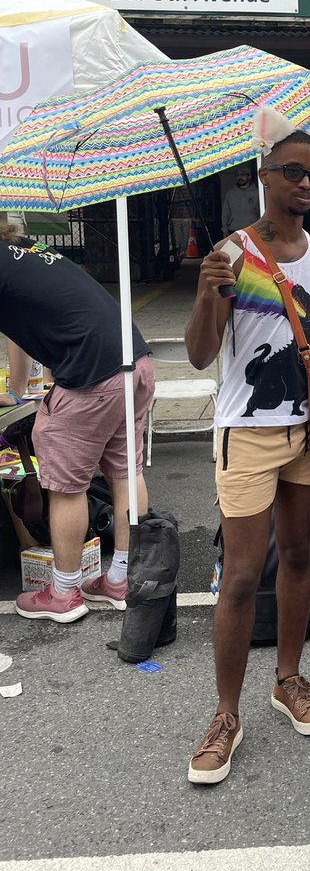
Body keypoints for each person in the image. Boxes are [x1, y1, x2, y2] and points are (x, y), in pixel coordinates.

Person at [185, 113, 310, 786]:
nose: (304, 183)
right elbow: (204, 353)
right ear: (263, 177)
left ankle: (287, 678)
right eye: (291, 172)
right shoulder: (231, 255)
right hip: (247, 431)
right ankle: (225, 715)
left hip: (308, 428)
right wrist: (209, 294)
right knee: (239, 577)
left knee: (298, 555)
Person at [3, 227, 155, 623]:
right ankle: (121, 579)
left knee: (66, 485)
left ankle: (64, 591)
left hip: (92, 372)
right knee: (126, 471)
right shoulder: (27, 251)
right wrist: (17, 389)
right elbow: (21, 328)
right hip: (135, 361)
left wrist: (22, 391)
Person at [221, 166, 260, 235]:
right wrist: (225, 230)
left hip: (252, 231)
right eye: (237, 175)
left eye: (243, 174)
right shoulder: (230, 194)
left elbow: (262, 212)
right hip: (234, 231)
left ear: (249, 176)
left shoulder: (257, 193)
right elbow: (225, 213)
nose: (240, 177)